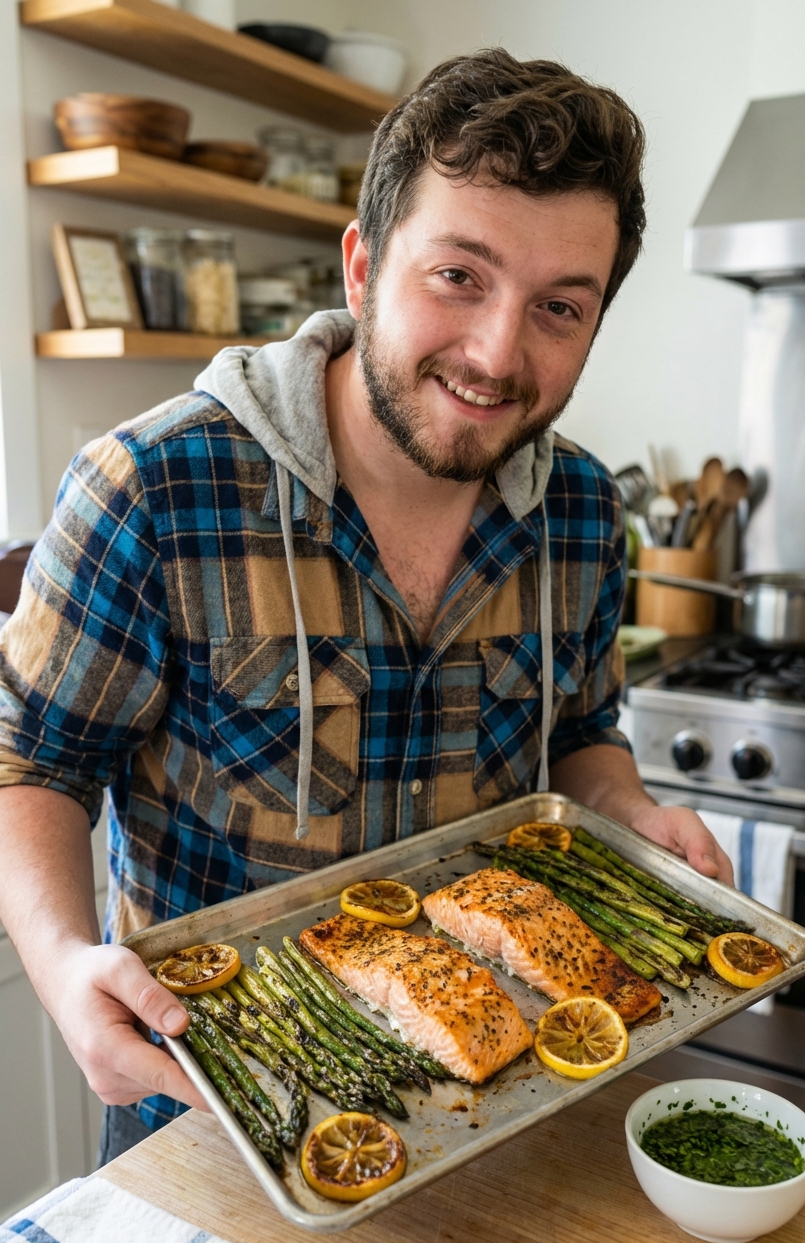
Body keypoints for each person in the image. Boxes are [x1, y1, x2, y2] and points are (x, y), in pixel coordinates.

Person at [0, 49, 732, 1162]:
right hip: (213, 1110)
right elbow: (28, 764)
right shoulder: (152, 489)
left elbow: (581, 736)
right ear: (359, 267)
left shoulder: (582, 508)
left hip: (493, 1098)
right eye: (458, 276)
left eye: (558, 307)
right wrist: (60, 966)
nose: (496, 353)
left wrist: (626, 815)